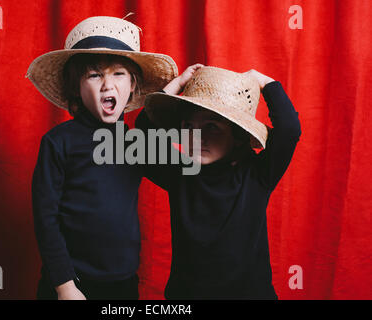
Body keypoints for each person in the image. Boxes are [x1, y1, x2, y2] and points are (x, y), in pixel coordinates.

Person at [26, 16, 177, 300]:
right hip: (70, 283)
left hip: (122, 285)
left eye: (118, 74)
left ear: (133, 85)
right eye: (94, 75)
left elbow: (183, 175)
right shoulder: (58, 142)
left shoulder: (136, 143)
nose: (108, 84)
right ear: (77, 89)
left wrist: (169, 94)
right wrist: (65, 286)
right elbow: (45, 219)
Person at [136, 65, 301, 299]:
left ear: (237, 136)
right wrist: (180, 82)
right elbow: (144, 131)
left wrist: (261, 80)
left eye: (211, 127)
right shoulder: (180, 172)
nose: (196, 137)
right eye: (189, 126)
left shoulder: (256, 175)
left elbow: (289, 130)